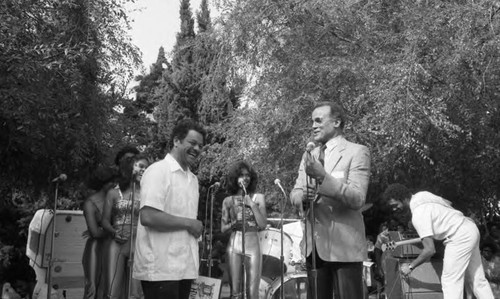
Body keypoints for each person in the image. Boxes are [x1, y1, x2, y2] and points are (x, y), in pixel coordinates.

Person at [290, 101, 371, 299]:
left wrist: (322, 177)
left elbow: (357, 198)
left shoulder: (357, 151)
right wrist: (302, 197)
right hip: (314, 250)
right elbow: (295, 193)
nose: (313, 126)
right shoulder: (309, 156)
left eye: (318, 120)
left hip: (345, 248)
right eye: (312, 121)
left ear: (336, 122)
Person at [133, 119, 206, 299]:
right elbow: (148, 217)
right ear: (176, 141)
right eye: (192, 143)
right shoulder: (158, 171)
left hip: (185, 266)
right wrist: (190, 224)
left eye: (200, 146)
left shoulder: (193, 180)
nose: (197, 149)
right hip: (160, 268)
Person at [383, 183, 493, 299]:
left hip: (459, 236)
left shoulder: (418, 215)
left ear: (403, 198)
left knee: (450, 281)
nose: (395, 209)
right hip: (469, 227)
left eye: (395, 205)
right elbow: (448, 202)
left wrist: (410, 267)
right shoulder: (423, 195)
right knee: (477, 280)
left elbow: (430, 250)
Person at [101, 154, 149, 299]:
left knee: (137, 293)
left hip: (139, 244)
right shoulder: (113, 193)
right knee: (112, 290)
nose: (143, 170)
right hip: (117, 243)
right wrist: (114, 232)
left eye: (146, 168)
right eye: (140, 166)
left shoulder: (149, 194)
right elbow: (104, 221)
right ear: (130, 168)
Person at [220, 161, 267, 299]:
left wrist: (252, 205)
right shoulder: (228, 201)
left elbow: (263, 224)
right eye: (241, 175)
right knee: (235, 293)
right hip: (234, 245)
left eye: (247, 175)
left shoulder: (258, 198)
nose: (245, 178)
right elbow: (223, 229)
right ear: (235, 178)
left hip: (253, 246)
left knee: (253, 293)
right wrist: (234, 223)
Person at [82, 166, 118, 299]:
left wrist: (108, 230)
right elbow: (95, 233)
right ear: (103, 184)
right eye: (111, 182)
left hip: (112, 246)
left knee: (108, 287)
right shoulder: (90, 203)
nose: (115, 184)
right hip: (96, 249)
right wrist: (114, 230)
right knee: (92, 287)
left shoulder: (115, 199)